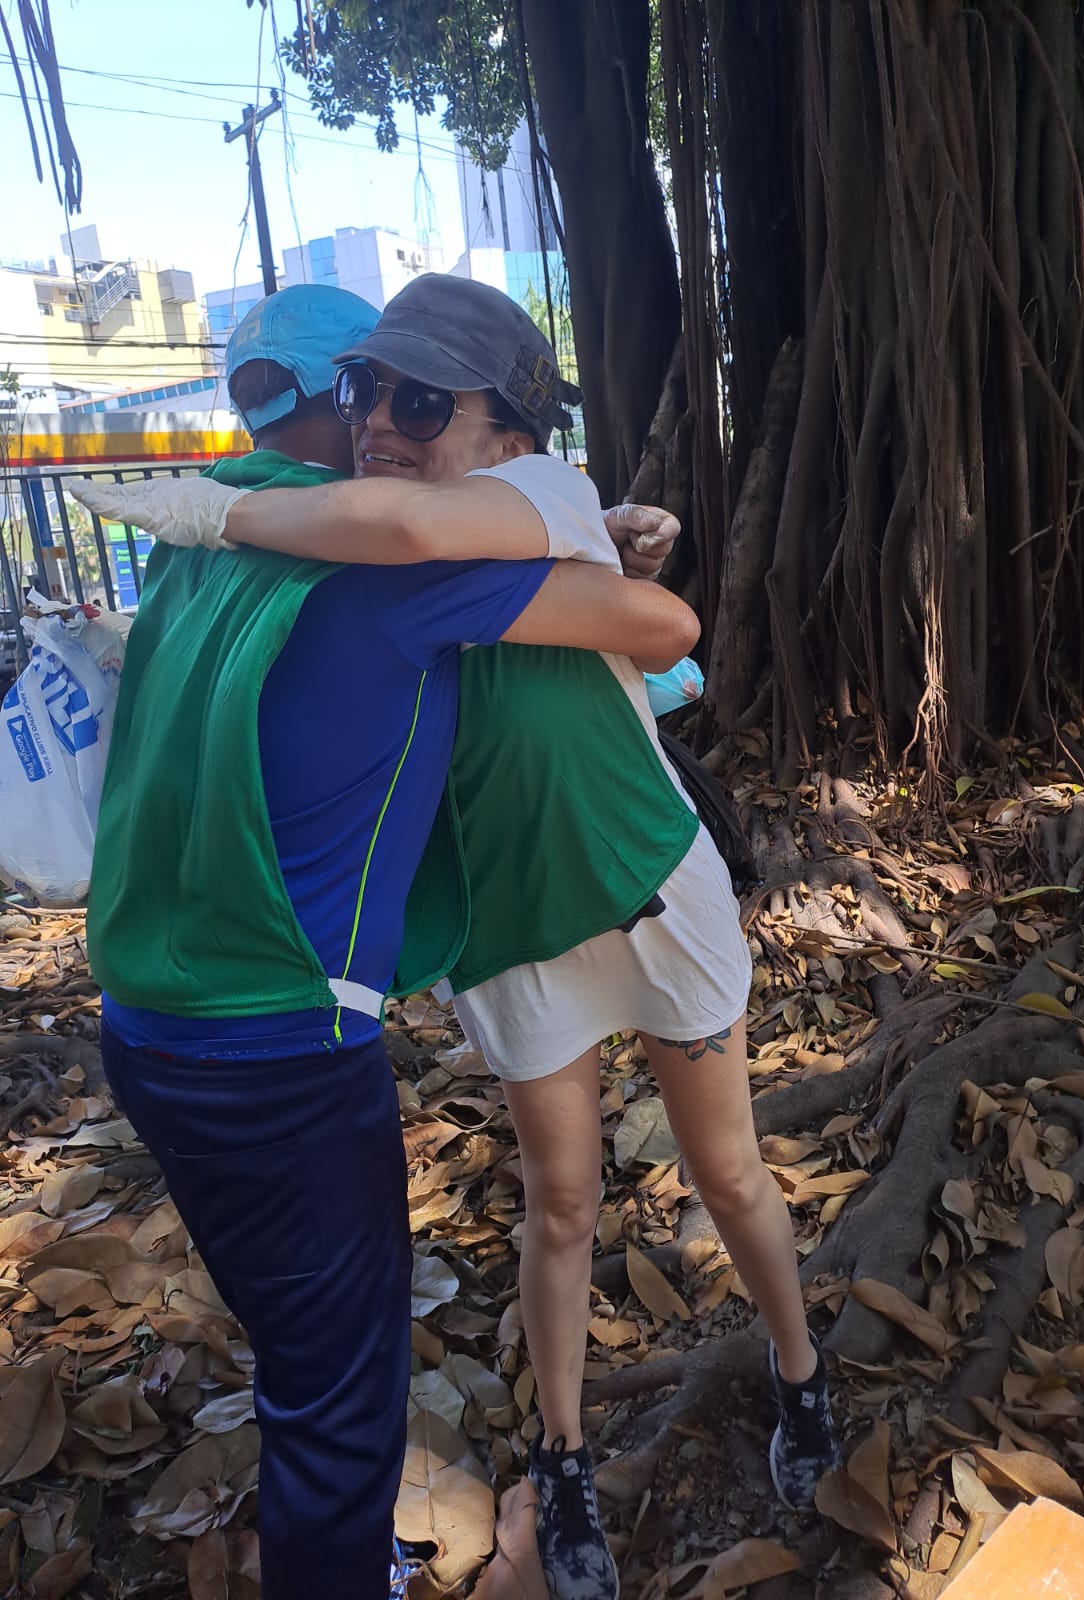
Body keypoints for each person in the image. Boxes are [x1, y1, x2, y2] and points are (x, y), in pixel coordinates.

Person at [87, 275, 841, 1600]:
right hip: (512, 930)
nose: (381, 418)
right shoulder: (395, 565)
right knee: (564, 1203)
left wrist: (213, 508)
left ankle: (801, 1375)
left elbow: (659, 631)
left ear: (513, 435)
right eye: (365, 389)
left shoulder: (501, 511)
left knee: (730, 1174)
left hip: (647, 886)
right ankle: (562, 1459)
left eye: (423, 400)